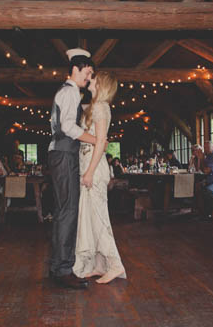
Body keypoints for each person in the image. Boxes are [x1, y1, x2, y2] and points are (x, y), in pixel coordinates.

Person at [48, 48, 98, 289]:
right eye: (87, 73)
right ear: (76, 69)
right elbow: (68, 126)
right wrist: (95, 139)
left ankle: (58, 266)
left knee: (62, 211)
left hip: (60, 154)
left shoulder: (67, 92)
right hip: (64, 154)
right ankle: (64, 270)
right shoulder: (70, 92)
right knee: (68, 211)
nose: (88, 78)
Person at [73, 71, 126, 284]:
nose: (90, 79)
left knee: (98, 218)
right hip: (86, 163)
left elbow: (102, 141)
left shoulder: (101, 107)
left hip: (94, 167)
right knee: (88, 218)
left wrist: (89, 172)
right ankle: (97, 265)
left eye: (94, 77)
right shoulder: (93, 106)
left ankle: (115, 264)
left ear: (101, 83)